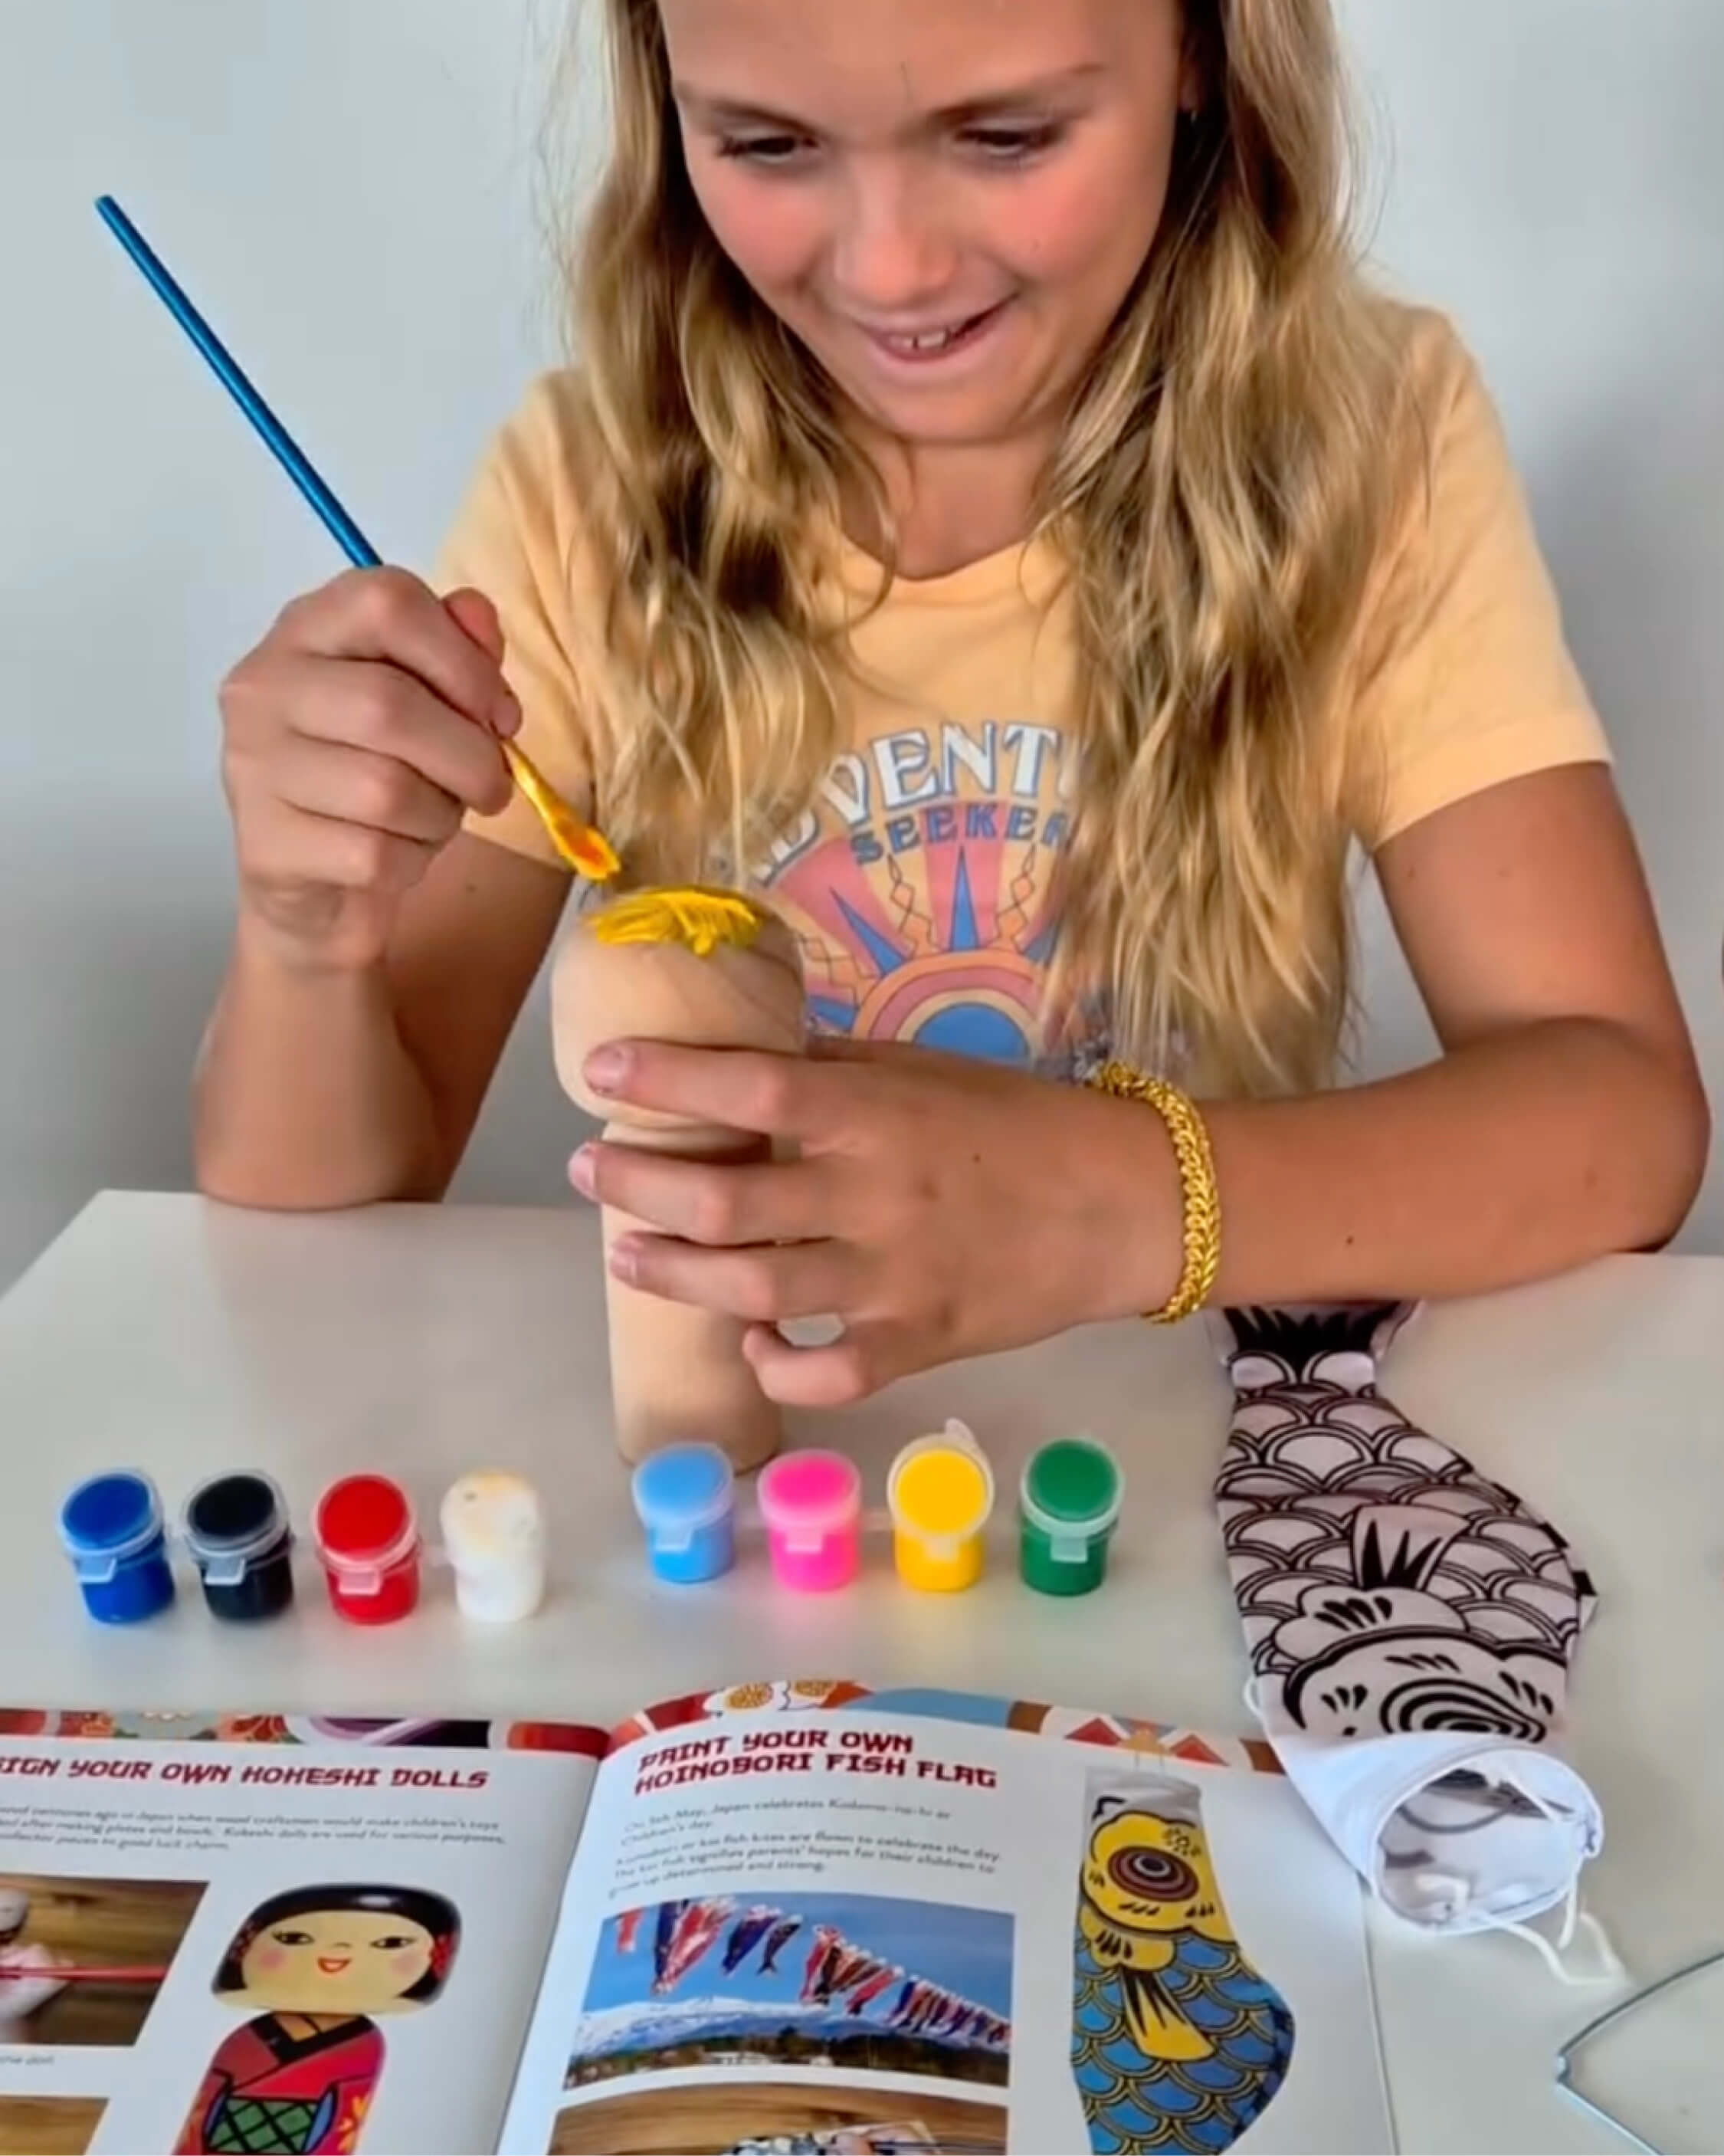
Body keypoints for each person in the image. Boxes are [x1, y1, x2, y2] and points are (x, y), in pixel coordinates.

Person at [193, 0, 1707, 1407]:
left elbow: (1625, 1119)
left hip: (1178, 1482)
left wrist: (1118, 1197)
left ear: (1201, 52)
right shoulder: (589, 491)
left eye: (1005, 138)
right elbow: (318, 1239)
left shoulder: (1370, 444)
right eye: (770, 144)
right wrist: (303, 928)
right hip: (752, 1524)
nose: (890, 269)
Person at [175, 1884, 460, 2154]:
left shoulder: (363, 2043)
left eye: (390, 1943)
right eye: (294, 1939)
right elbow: (208, 2106)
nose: (338, 1953)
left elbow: (341, 2123)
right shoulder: (246, 2036)